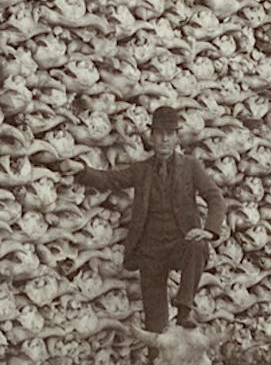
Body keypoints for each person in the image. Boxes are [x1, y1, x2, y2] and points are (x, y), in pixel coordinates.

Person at [59, 106, 226, 335]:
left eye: (169, 134)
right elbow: (111, 179)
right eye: (159, 134)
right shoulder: (142, 169)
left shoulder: (191, 167)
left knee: (198, 246)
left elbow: (215, 198)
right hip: (151, 250)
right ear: (152, 137)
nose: (164, 140)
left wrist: (209, 230)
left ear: (177, 137)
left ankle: (184, 309)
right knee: (155, 322)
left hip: (181, 243)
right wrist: (81, 170)